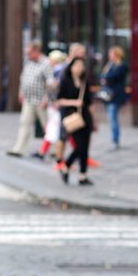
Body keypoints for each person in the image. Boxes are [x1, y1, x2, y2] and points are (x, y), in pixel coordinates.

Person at [6, 41, 51, 158]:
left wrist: (47, 98)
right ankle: (19, 149)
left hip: (41, 100)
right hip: (29, 99)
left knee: (47, 126)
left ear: (37, 51)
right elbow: (23, 78)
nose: (28, 55)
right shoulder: (28, 62)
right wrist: (21, 93)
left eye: (30, 53)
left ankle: (54, 151)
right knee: (24, 123)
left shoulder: (46, 63)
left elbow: (50, 83)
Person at [56, 56, 95, 185]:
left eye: (81, 66)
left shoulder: (85, 81)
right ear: (71, 67)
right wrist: (74, 102)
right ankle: (66, 165)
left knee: (85, 147)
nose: (79, 68)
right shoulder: (65, 81)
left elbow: (89, 101)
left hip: (85, 116)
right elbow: (59, 100)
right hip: (71, 116)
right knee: (79, 146)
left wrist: (94, 119)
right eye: (76, 65)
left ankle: (82, 175)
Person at [35, 49, 67, 160]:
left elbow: (57, 89)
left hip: (56, 105)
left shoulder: (60, 72)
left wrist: (53, 100)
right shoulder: (56, 71)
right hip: (54, 104)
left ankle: (47, 152)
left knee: (56, 129)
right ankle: (44, 151)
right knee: (56, 129)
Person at [98, 46, 129, 149]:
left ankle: (115, 140)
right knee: (111, 118)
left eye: (111, 54)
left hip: (115, 96)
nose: (109, 56)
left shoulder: (122, 66)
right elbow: (102, 76)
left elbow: (113, 76)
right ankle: (114, 139)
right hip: (108, 96)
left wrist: (106, 78)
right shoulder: (109, 65)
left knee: (113, 117)